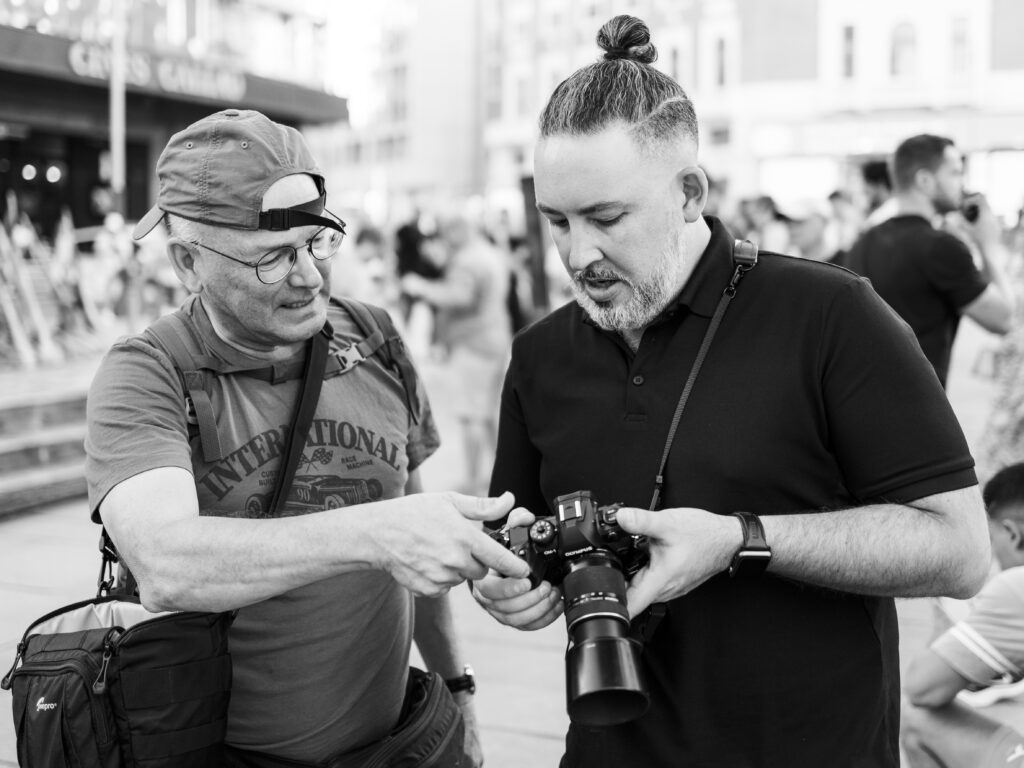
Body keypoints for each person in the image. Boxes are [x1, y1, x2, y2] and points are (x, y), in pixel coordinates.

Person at [470, 15, 991, 767]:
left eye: (607, 218)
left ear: (689, 194)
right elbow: (522, 544)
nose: (578, 255)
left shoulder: (831, 314)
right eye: (556, 222)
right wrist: (513, 587)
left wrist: (740, 541)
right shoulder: (540, 354)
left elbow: (961, 550)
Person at [83, 109, 530, 768]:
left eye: (319, 243)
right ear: (187, 261)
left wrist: (457, 689)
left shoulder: (375, 337)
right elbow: (165, 564)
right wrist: (376, 533)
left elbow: (419, 550)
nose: (310, 277)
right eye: (273, 259)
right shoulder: (148, 372)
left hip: (396, 746)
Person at [838, 134, 1013, 388]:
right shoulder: (940, 246)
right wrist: (989, 246)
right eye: (954, 173)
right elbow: (1003, 320)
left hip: (863, 400)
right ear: (924, 180)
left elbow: (976, 294)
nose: (961, 184)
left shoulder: (864, 240)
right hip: (918, 407)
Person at [902, 462, 1024, 767]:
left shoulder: (1015, 587)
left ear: (1012, 533)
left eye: (991, 541)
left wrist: (946, 613)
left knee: (913, 716)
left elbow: (922, 689)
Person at [400, 216, 511, 496]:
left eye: (448, 233)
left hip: (472, 344)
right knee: (488, 413)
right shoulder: (489, 252)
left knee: (471, 415)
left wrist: (420, 287)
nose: (444, 240)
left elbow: (459, 297)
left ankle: (474, 481)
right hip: (495, 338)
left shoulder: (467, 261)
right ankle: (506, 469)